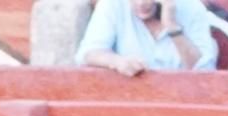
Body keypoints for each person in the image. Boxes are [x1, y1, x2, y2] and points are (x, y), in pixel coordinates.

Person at [76, 0, 217, 74]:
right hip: (129, 97)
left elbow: (203, 69)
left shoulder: (191, 7)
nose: (141, 3)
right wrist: (117, 61)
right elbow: (87, 53)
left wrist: (173, 27)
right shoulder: (113, 4)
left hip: (181, 99)